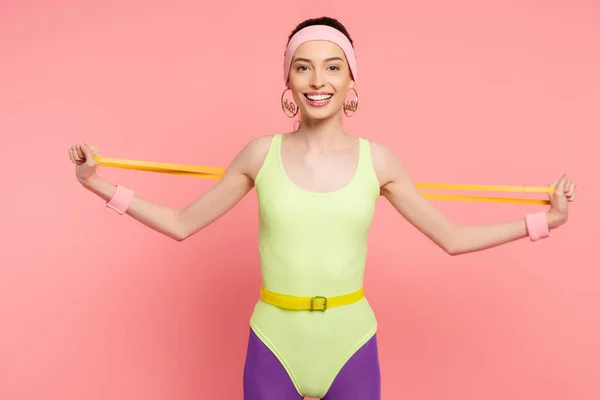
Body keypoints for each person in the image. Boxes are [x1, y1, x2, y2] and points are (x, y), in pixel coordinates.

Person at [68, 16, 577, 400]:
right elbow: (181, 224)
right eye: (303, 67)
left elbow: (452, 238)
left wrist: (544, 221)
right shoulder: (258, 154)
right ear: (288, 80)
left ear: (352, 81)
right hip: (274, 341)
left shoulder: (378, 161)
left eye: (333, 67)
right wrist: (97, 185)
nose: (318, 80)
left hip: (350, 341)